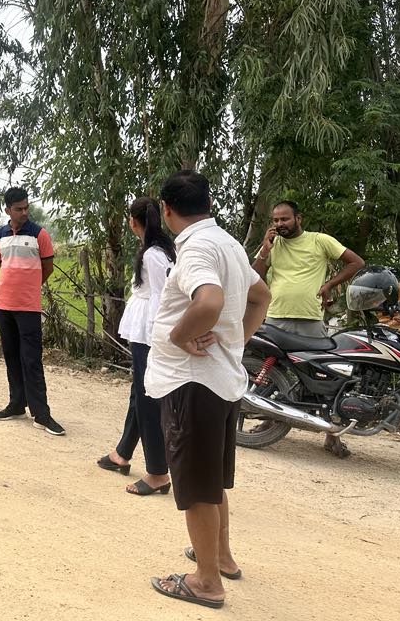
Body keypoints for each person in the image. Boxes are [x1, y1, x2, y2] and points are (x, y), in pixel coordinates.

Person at [146, 170, 271, 610]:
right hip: (219, 379)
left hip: (190, 382)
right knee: (211, 478)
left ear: (166, 209)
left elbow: (210, 301)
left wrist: (180, 337)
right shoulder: (229, 244)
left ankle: (206, 582)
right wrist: (236, 342)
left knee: (196, 485)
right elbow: (262, 296)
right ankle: (220, 558)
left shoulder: (197, 247)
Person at [252, 199, 364, 456]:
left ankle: (331, 435)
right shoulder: (273, 245)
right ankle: (270, 420)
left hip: (310, 318)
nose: (279, 224)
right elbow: (255, 276)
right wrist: (264, 251)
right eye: (276, 220)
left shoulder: (319, 240)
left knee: (324, 375)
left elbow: (356, 262)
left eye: (285, 219)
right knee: (274, 371)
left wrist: (329, 285)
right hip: (276, 316)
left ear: (298, 218)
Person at [97, 197, 175, 496]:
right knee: (138, 392)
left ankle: (158, 472)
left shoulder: (153, 255)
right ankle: (122, 453)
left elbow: (160, 297)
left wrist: (159, 335)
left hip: (149, 331)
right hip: (146, 329)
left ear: (133, 221)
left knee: (147, 398)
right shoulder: (161, 249)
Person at [0, 186, 64, 436]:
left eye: (26, 207)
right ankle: (16, 404)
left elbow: (48, 267)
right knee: (11, 356)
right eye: (18, 209)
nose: (24, 212)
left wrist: (30, 287)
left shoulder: (39, 235)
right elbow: (2, 265)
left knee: (31, 360)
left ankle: (41, 414)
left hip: (28, 307)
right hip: (3, 304)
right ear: (7, 210)